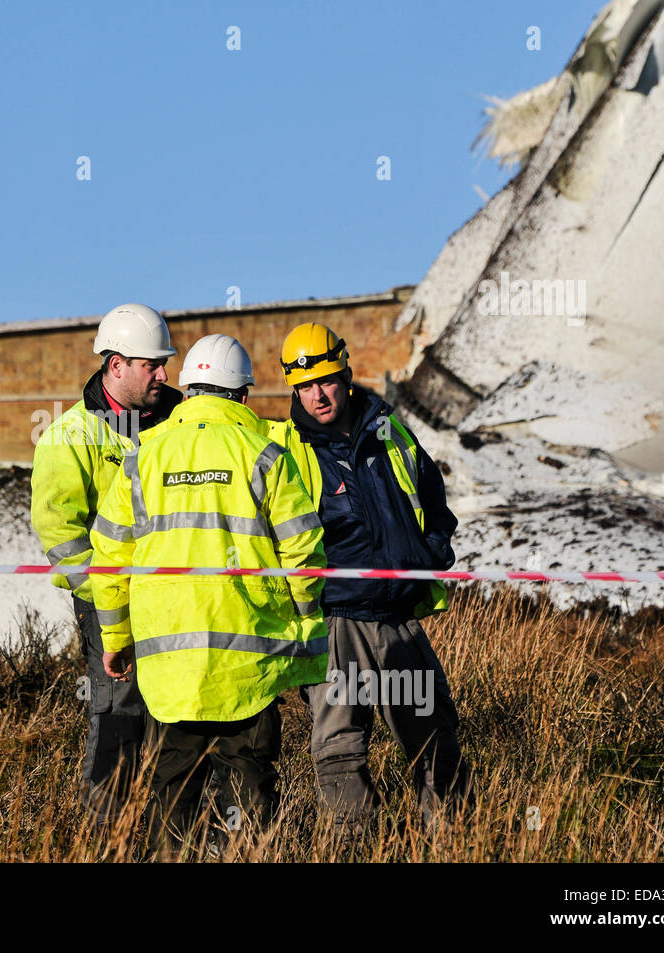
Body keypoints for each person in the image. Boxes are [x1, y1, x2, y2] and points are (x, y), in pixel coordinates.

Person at [89, 333, 329, 860]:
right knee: (248, 792)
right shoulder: (264, 452)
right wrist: (309, 621)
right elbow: (303, 548)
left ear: (191, 389)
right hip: (251, 667)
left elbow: (108, 557)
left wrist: (114, 638)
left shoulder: (143, 456)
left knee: (170, 795)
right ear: (243, 395)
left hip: (169, 670)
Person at [265, 322, 472, 835]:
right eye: (304, 385)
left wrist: (432, 549)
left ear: (346, 373)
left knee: (435, 741)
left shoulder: (389, 429)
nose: (317, 395)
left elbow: (431, 494)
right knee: (340, 752)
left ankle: (454, 842)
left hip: (399, 618)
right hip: (335, 622)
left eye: (326, 380)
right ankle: (357, 848)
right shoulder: (284, 449)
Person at [30, 303, 183, 823]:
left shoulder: (182, 425)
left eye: (165, 363)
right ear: (115, 365)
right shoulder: (69, 437)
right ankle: (104, 830)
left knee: (180, 713)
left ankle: (171, 831)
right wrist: (104, 596)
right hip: (108, 605)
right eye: (151, 365)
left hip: (180, 601)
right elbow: (59, 532)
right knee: (117, 712)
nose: (164, 374)